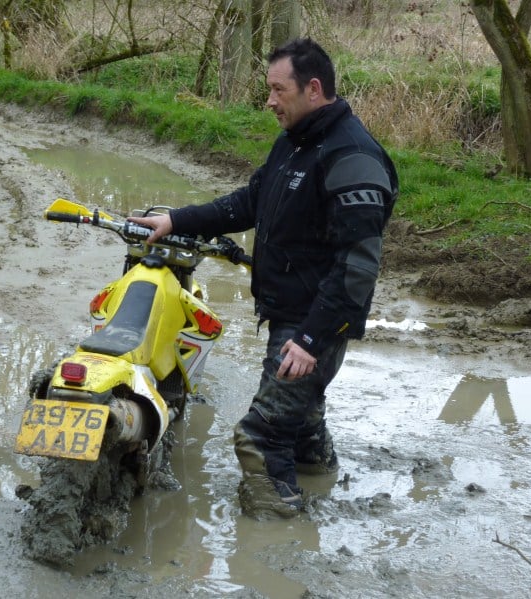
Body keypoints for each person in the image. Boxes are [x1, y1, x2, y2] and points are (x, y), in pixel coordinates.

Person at [129, 37, 399, 519]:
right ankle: (319, 474)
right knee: (300, 421)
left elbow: (358, 267)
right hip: (288, 313)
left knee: (261, 434)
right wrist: (177, 221)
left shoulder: (353, 156)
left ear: (313, 89)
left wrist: (312, 340)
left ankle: (276, 536)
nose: (269, 101)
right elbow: (248, 203)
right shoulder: (294, 143)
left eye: (278, 90)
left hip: (315, 322)